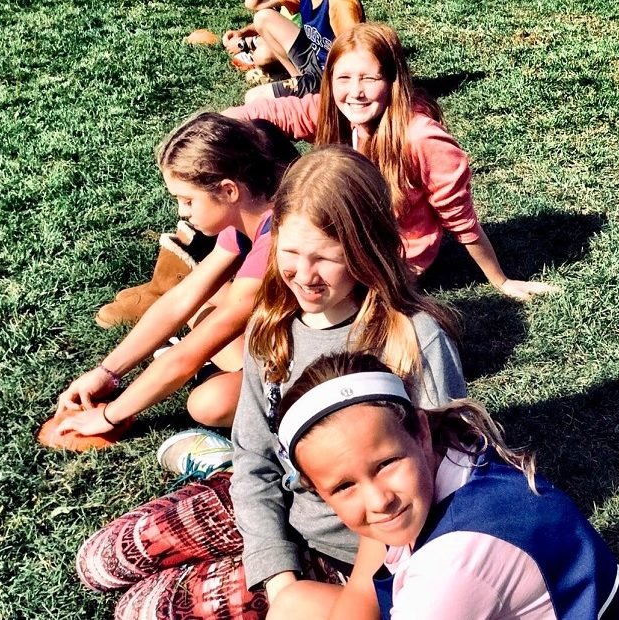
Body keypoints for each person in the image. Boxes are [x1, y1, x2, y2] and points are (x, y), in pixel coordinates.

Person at [73, 145, 468, 619]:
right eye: (291, 254)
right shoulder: (273, 326)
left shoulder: (412, 339)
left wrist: (320, 591)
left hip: (354, 553)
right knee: (100, 560)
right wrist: (277, 576)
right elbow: (255, 457)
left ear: (368, 247)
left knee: (141, 611)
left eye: (326, 258)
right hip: (272, 503)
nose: (305, 276)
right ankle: (217, 469)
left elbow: (441, 487)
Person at [267, 352, 619, 619]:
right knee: (294, 603)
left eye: (385, 465)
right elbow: (363, 586)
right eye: (344, 486)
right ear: (318, 491)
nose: (378, 499)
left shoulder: (453, 565)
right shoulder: (446, 449)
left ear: (419, 430)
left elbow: (445, 578)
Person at [223, 23, 560, 302]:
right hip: (342, 234)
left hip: (395, 257)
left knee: (283, 281)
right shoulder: (337, 115)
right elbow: (279, 113)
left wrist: (500, 280)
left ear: (392, 81)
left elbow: (460, 218)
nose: (355, 92)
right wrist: (218, 124)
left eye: (369, 79)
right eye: (343, 79)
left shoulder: (421, 137)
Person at [48, 113, 296, 443]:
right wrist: (107, 373)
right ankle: (239, 371)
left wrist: (110, 415)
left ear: (228, 190)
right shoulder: (250, 211)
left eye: (187, 199)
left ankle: (271, 395)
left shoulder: (279, 238)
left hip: (336, 358)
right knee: (203, 303)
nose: (182, 211)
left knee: (208, 404)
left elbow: (189, 356)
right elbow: (181, 299)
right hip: (290, 331)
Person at [221, 0, 364, 101]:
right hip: (313, 60)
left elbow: (355, 57)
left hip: (329, 79)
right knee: (263, 18)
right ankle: (299, 82)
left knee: (253, 97)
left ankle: (313, 97)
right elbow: (253, 4)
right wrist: (242, 33)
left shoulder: (340, 5)